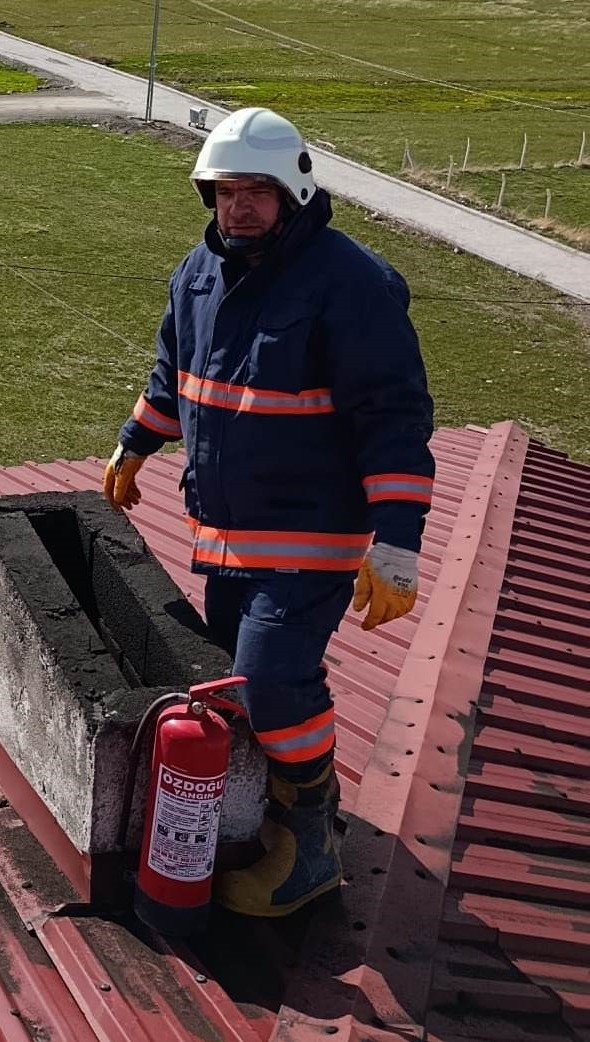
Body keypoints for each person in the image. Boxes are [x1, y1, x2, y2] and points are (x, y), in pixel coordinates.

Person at [102, 107, 435, 918]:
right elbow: (174, 381)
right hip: (225, 536)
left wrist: (396, 546)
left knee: (272, 683)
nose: (239, 207)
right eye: (224, 191)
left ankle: (312, 842)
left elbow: (392, 419)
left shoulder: (351, 283)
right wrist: (134, 446)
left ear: (294, 191)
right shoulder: (198, 276)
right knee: (242, 690)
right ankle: (272, 815)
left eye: (257, 190)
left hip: (311, 538)